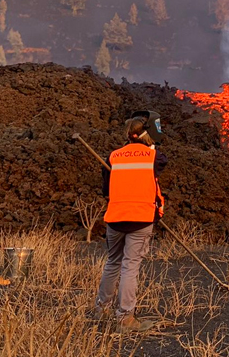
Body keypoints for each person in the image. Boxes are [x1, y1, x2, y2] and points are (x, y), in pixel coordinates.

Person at [93, 110, 168, 332]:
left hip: (115, 219)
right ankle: (125, 318)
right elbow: (160, 163)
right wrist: (151, 145)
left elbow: (106, 189)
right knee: (130, 267)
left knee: (112, 263)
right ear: (148, 135)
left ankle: (101, 310)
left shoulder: (113, 156)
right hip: (140, 219)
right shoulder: (155, 157)